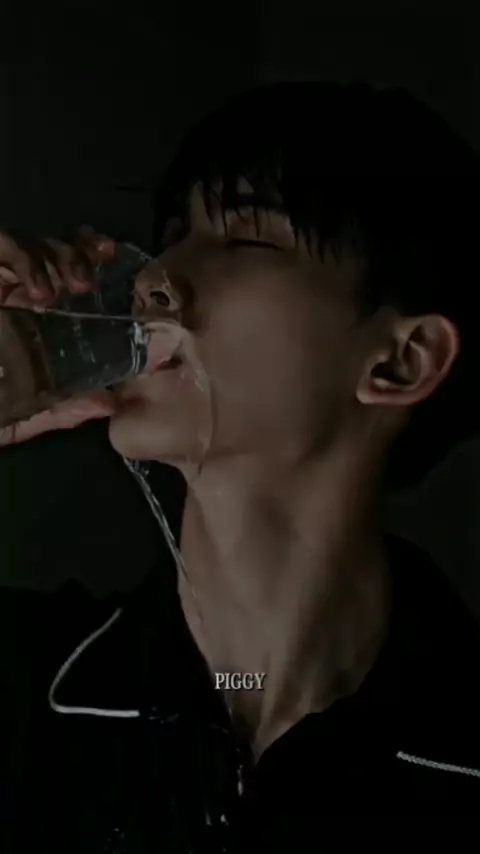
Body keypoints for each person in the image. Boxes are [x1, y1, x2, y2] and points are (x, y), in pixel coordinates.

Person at [1, 81, 480, 853]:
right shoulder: (22, 684)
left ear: (401, 360)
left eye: (246, 241)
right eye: (173, 237)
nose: (153, 279)